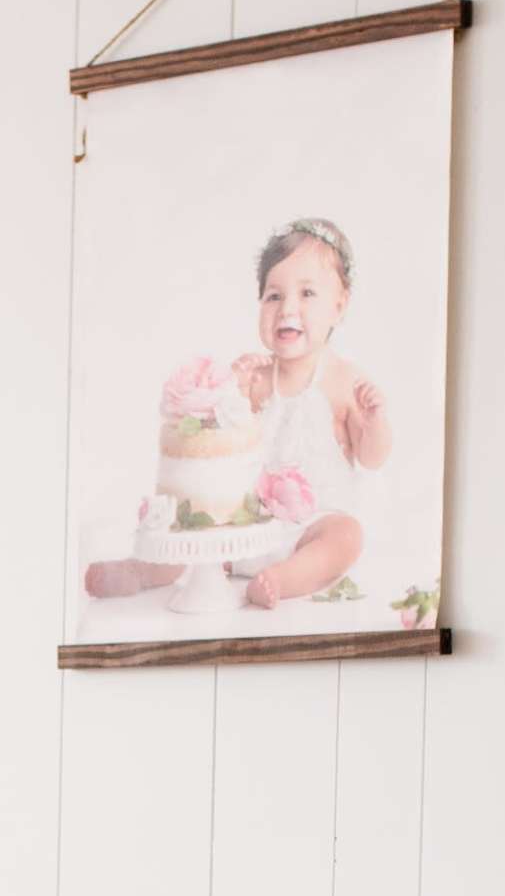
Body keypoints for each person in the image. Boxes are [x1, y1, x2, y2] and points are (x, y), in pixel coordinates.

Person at [83, 215, 393, 611]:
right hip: (244, 527)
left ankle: (283, 579)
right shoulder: (255, 377)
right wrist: (231, 390)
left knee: (346, 536)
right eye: (274, 296)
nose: (288, 309)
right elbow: (222, 446)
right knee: (196, 529)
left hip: (309, 528)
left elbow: (371, 457)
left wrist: (374, 424)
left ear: (339, 304)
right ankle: (142, 571)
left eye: (307, 294)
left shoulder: (344, 381)